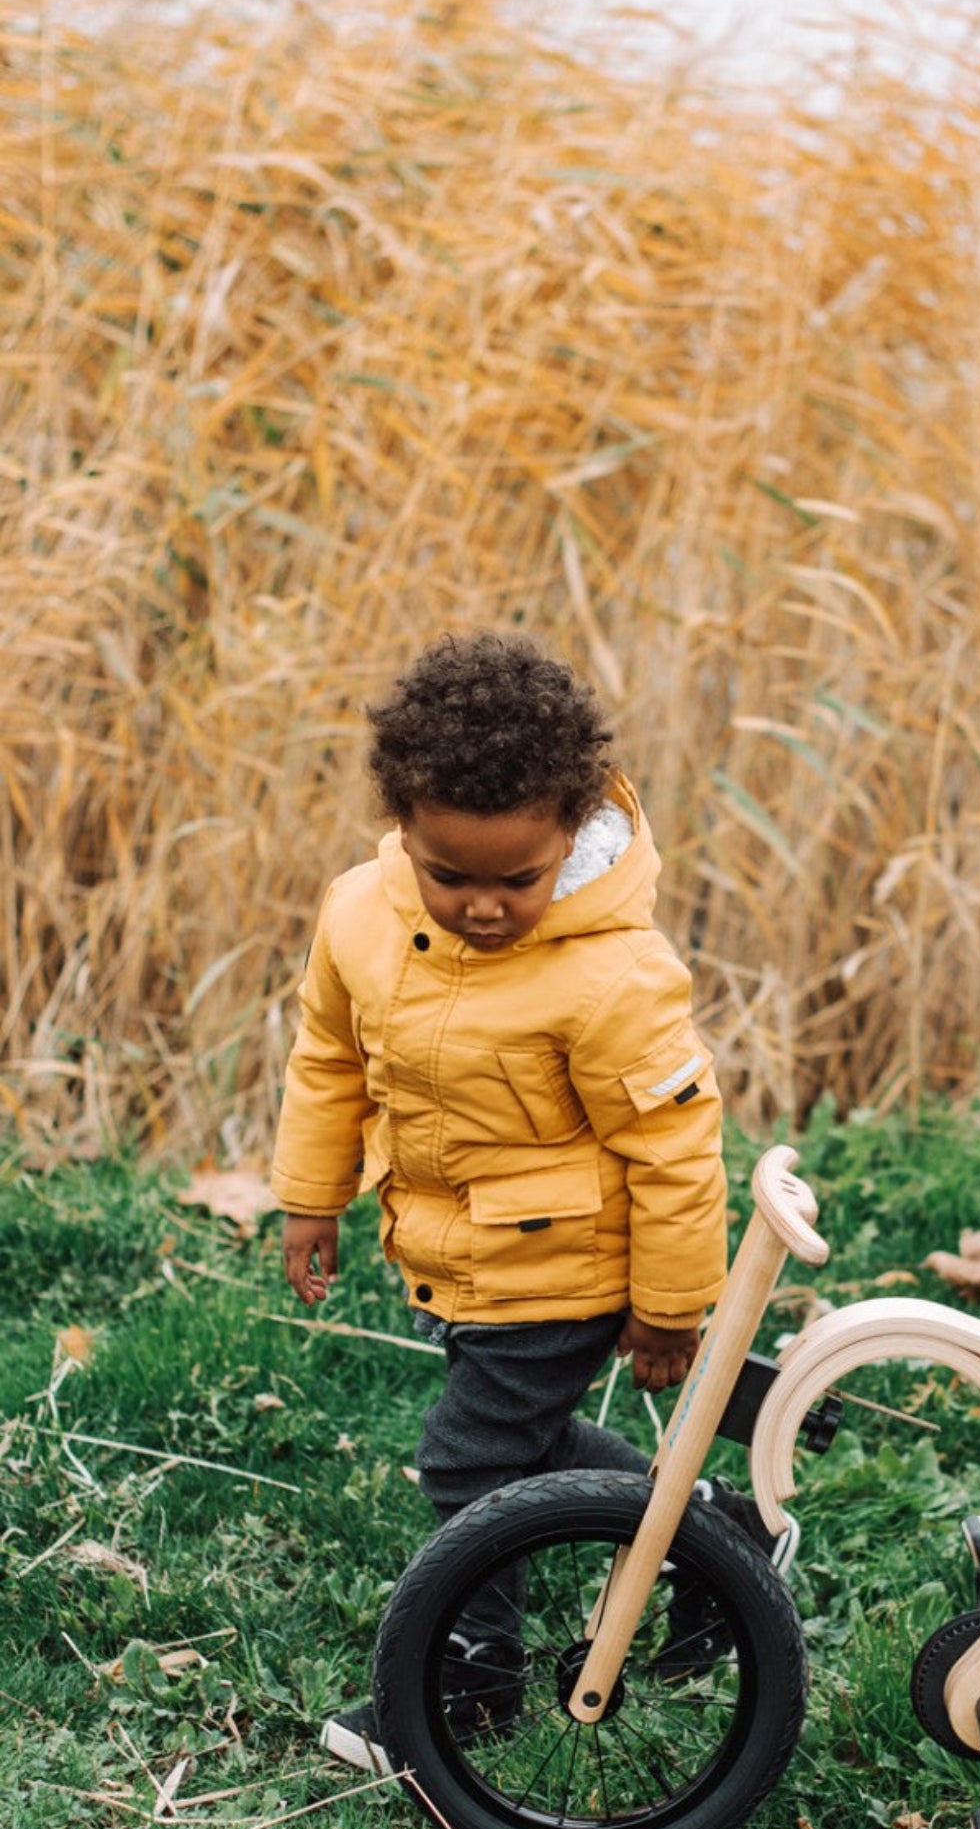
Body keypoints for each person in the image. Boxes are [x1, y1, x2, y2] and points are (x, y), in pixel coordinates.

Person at [271, 631, 751, 1771]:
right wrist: (310, 1195)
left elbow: (677, 1142)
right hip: (458, 1254)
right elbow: (328, 1056)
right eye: (452, 875)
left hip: (569, 1269)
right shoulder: (359, 914)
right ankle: (715, 1532)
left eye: (516, 880)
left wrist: (672, 1305)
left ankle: (468, 1686)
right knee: (523, 1441)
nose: (484, 904)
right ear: (403, 828)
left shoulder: (609, 975)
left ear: (570, 833)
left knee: (470, 1465)